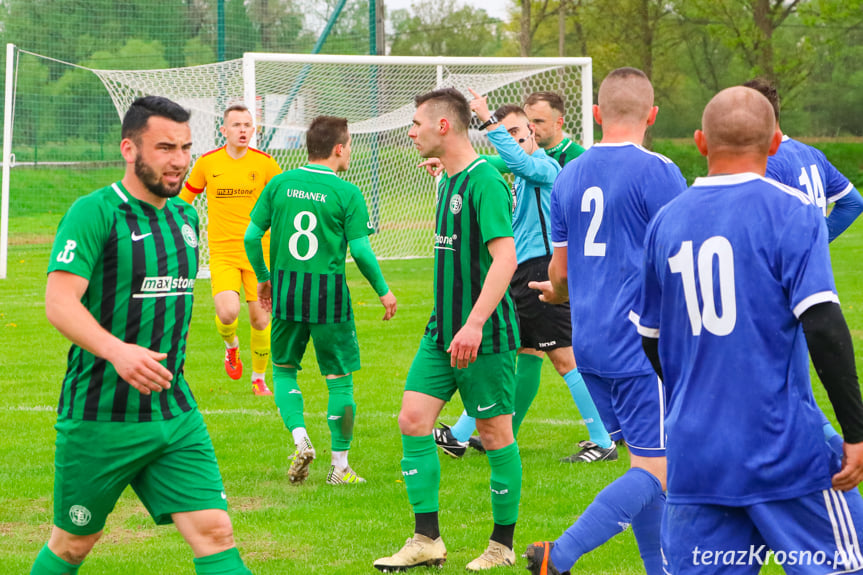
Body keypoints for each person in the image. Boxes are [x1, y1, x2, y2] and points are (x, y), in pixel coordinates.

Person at [636, 85, 863, 574]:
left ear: (700, 142)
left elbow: (650, 340)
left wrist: (694, 404)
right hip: (783, 451)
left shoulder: (665, 222)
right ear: (776, 142)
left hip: (696, 454)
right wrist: (856, 430)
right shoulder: (794, 211)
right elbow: (823, 326)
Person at [34, 96, 253, 575]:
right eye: (165, 148)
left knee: (215, 531)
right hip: (101, 415)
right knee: (74, 543)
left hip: (173, 413)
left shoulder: (185, 218)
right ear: (129, 150)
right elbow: (59, 302)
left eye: (186, 147)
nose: (179, 160)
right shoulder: (95, 212)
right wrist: (118, 352)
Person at [525, 67, 686, 575]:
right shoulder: (659, 171)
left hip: (589, 343)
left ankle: (659, 569)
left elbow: (560, 273)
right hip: (642, 345)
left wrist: (556, 291)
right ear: (652, 116)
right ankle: (562, 553)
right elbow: (678, 260)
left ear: (596, 115)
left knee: (646, 462)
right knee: (658, 470)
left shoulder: (567, 174)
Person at [373, 88, 521, 571]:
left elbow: (506, 258)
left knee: (495, 434)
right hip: (442, 332)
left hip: (485, 335)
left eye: (416, 122)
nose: (410, 131)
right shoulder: (452, 180)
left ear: (443, 126)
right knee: (413, 420)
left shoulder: (486, 181)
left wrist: (475, 323)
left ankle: (502, 545)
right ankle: (427, 539)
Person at [432, 90, 615, 464]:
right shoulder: (521, 172)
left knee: (565, 358)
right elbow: (494, 165)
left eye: (517, 133)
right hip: (522, 273)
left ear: (531, 132)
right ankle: (467, 434)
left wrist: (488, 121)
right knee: (519, 352)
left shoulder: (545, 166)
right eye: (507, 134)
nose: (513, 141)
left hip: (539, 271)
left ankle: (603, 439)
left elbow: (518, 162)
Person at [244, 115, 396, 486]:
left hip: (286, 291)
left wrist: (264, 280)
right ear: (339, 148)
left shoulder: (279, 184)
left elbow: (250, 238)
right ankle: (340, 468)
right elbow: (359, 250)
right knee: (339, 381)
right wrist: (383, 290)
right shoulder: (347, 193)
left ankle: (300, 440)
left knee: (282, 369)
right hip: (328, 295)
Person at [180, 104, 282, 396]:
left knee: (261, 319)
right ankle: (231, 347)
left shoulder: (266, 164)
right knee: (227, 313)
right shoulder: (207, 163)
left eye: (247, 125)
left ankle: (259, 379)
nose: (242, 130)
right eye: (236, 125)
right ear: (223, 130)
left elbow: (282, 205)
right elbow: (184, 201)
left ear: (254, 130)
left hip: (259, 254)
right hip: (222, 251)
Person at [743, 78, 863, 242]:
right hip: (814, 266)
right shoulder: (813, 154)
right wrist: (817, 244)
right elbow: (853, 203)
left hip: (784, 267)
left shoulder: (765, 161)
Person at [523, 91, 586, 168]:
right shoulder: (523, 154)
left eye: (538, 121)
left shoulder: (580, 159)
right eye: (527, 122)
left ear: (558, 123)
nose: (530, 127)